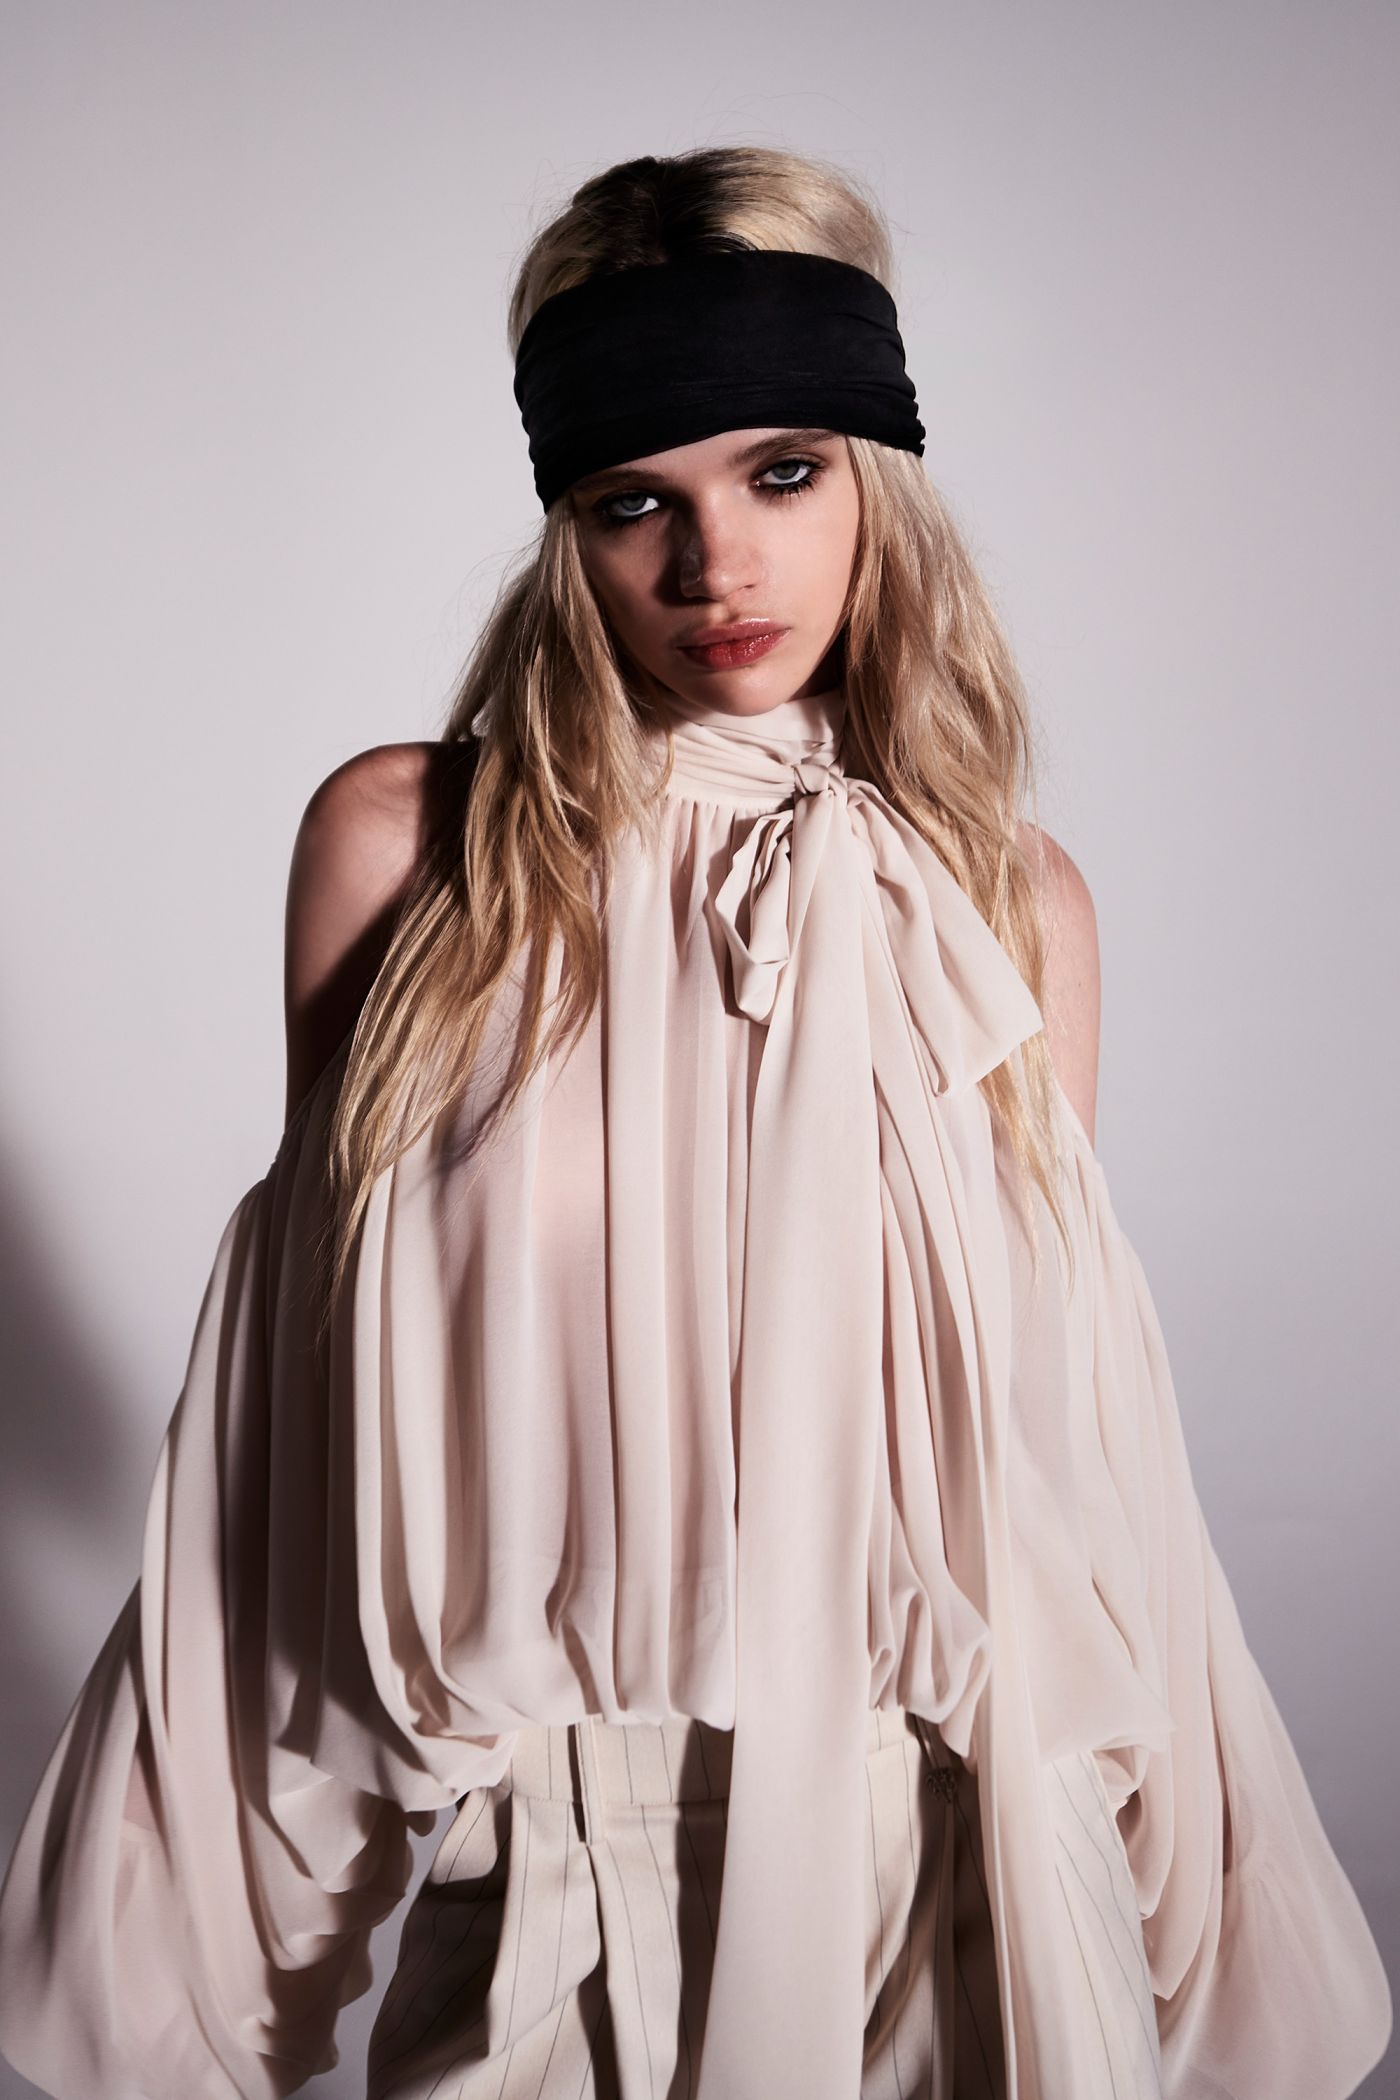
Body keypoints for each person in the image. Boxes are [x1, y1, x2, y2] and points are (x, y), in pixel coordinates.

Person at [0, 144, 1390, 2100]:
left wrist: (1198, 1899)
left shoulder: (1007, 906)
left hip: (976, 1866)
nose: (712, 567)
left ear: (880, 475)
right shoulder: (407, 853)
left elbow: (1074, 1449)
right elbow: (291, 1429)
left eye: (782, 473)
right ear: (566, 529)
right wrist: (204, 1945)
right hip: (559, 1860)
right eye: (633, 500)